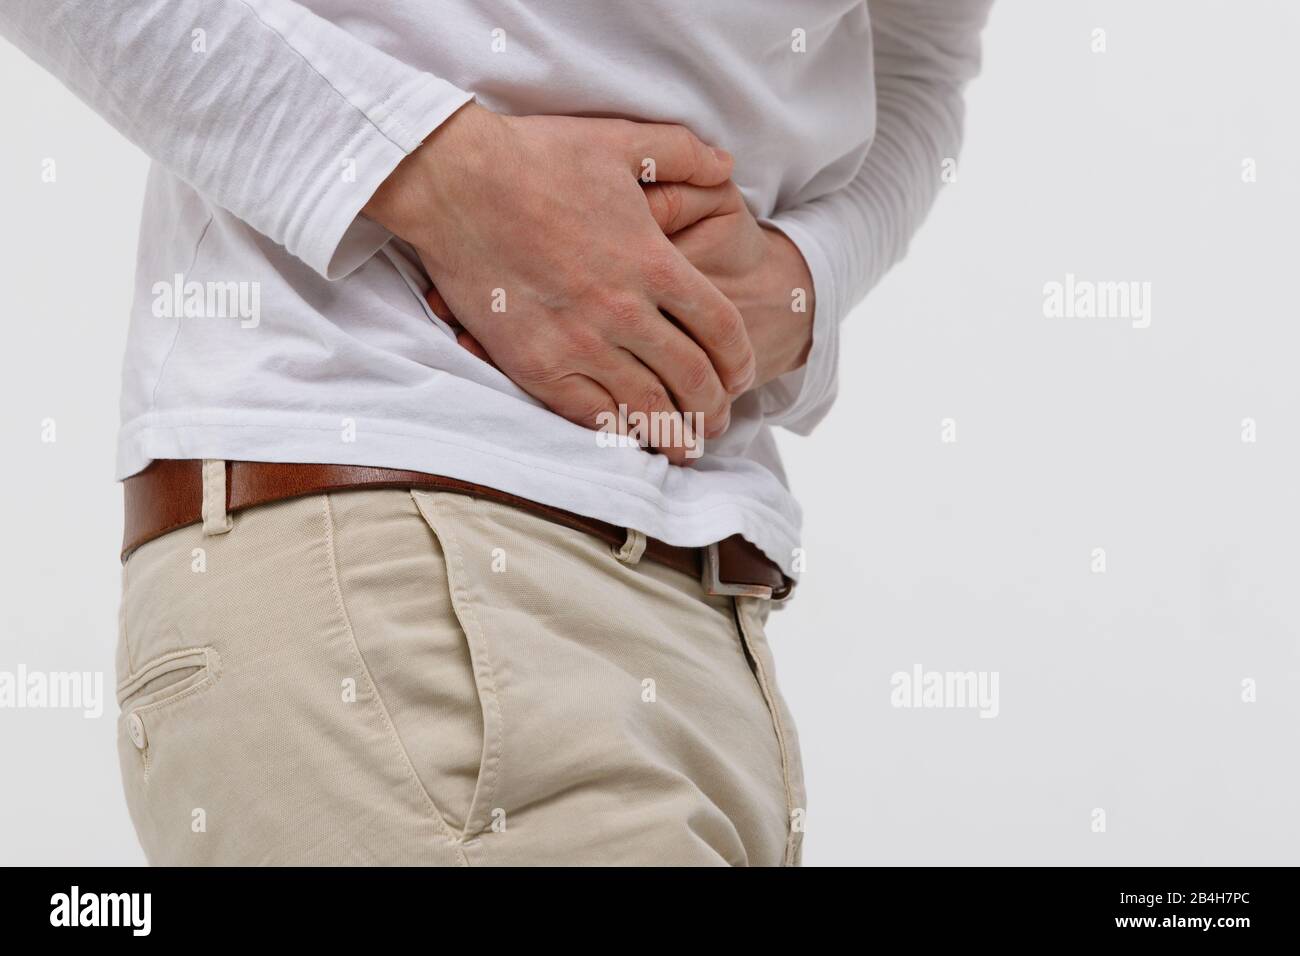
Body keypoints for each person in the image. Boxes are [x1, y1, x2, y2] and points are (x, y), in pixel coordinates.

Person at [1, 0, 992, 865]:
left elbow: (918, 58)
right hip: (408, 553)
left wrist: (803, 278)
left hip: (708, 621)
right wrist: (436, 175)